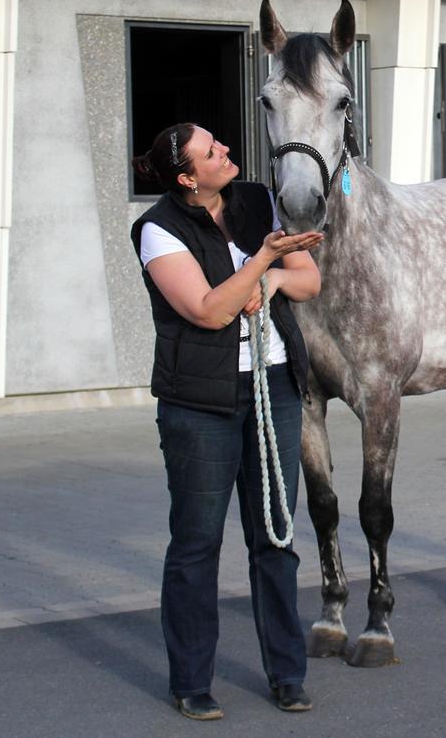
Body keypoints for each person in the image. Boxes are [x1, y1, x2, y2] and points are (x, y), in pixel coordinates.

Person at [129, 123, 324, 721]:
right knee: (197, 543)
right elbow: (210, 310)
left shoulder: (258, 199)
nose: (225, 152)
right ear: (187, 177)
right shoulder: (158, 230)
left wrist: (265, 280)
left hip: (275, 386)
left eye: (220, 143)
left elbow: (309, 279)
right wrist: (265, 258)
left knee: (275, 536)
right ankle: (192, 681)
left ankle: (287, 674)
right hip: (199, 403)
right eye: (211, 152)